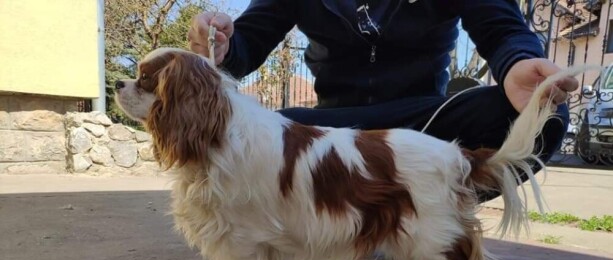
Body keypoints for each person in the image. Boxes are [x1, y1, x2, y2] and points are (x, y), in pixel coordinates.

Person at [187, 0, 578, 200]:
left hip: (421, 123)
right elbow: (250, 41)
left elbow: (501, 26)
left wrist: (518, 63)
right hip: (335, 130)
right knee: (267, 131)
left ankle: (435, 217)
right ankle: (337, 218)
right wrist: (220, 46)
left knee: (544, 113)